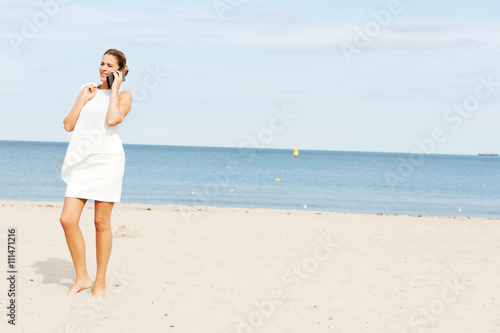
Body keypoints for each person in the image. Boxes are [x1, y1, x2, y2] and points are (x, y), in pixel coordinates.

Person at [59, 49, 132, 296]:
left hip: (108, 161)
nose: (104, 68)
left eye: (110, 65)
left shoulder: (124, 96)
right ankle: (82, 278)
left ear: (120, 70)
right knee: (67, 219)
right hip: (82, 161)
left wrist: (113, 89)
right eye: (102, 63)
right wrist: (82, 99)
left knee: (101, 223)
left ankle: (99, 281)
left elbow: (112, 120)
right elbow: (68, 125)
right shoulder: (87, 90)